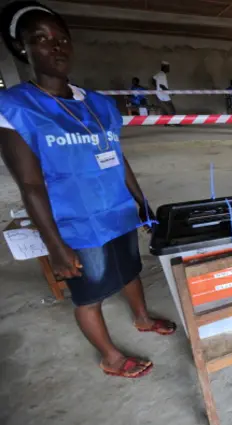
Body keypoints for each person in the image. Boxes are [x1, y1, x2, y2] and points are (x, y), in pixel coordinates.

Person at [0, 1, 176, 379]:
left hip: (117, 211)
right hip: (76, 223)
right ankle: (110, 356)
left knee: (130, 270)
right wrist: (56, 246)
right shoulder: (14, 107)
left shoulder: (97, 104)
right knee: (90, 291)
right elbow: (29, 184)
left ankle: (142, 318)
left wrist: (142, 203)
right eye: (41, 39)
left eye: (61, 38)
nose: (56, 46)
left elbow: (117, 155)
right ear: (22, 48)